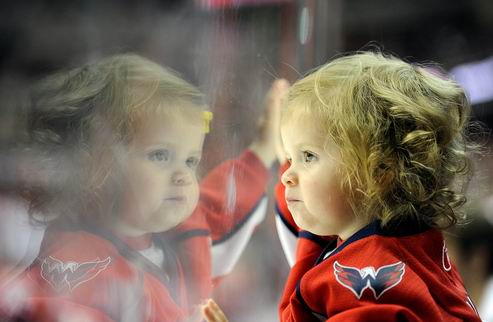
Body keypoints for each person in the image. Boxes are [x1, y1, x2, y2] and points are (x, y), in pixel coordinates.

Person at [0, 54, 282, 322]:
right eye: (160, 155)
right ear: (97, 165)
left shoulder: (179, 234)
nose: (183, 175)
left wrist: (264, 149)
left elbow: (219, 205)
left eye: (190, 160)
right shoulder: (78, 269)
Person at [271, 51, 482, 321]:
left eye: (308, 156)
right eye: (290, 158)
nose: (287, 175)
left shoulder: (371, 287)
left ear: (380, 170)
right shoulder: (410, 242)